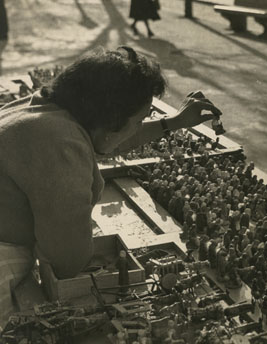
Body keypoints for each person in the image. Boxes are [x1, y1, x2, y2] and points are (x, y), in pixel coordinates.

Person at [0, 45, 221, 323]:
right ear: (112, 119)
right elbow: (66, 256)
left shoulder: (46, 111)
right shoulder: (61, 143)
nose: (140, 126)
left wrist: (172, 123)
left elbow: (106, 140)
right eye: (139, 120)